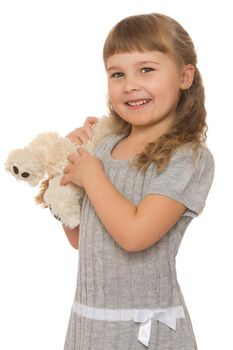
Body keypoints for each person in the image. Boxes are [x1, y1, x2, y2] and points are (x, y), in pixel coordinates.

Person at [61, 13, 214, 349]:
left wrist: (92, 174)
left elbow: (134, 235)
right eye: (117, 74)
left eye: (146, 69)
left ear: (185, 76)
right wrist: (69, 172)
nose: (130, 84)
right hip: (89, 327)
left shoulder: (187, 157)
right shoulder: (104, 147)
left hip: (145, 333)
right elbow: (81, 238)